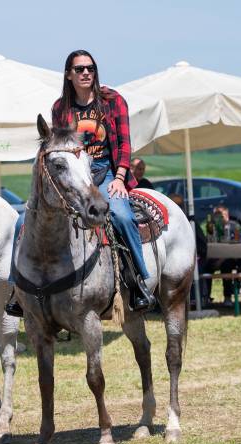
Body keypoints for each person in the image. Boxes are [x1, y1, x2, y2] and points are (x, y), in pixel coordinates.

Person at [52, 49, 155, 310]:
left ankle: (138, 280)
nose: (86, 73)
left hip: (106, 171)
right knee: (34, 219)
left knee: (122, 216)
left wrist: (120, 178)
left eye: (91, 68)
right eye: (79, 69)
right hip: (76, 175)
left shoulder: (112, 101)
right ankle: (25, 290)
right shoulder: (60, 108)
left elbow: (124, 144)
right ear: (69, 75)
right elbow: (59, 149)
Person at [202, 205, 241, 307]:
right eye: (216, 216)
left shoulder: (234, 226)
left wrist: (221, 259)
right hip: (215, 258)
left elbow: (237, 246)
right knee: (204, 266)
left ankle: (227, 297)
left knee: (226, 265)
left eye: (221, 216)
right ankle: (205, 297)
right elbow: (209, 244)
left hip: (230, 257)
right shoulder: (211, 227)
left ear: (227, 215)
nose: (218, 218)